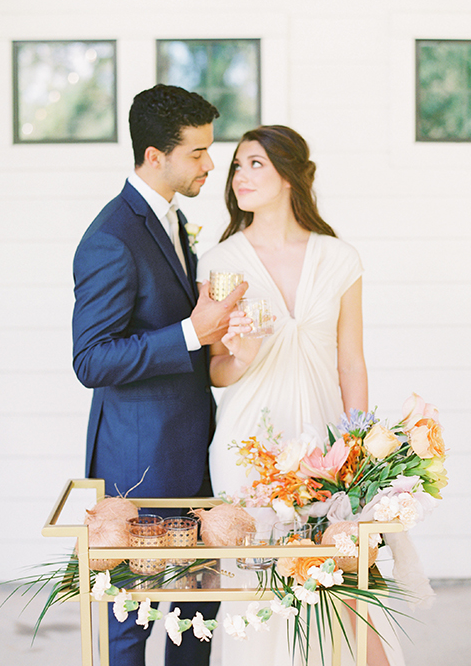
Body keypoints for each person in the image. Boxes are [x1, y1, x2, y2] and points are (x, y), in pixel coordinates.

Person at [197, 125, 405, 666]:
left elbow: (351, 360)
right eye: (237, 166)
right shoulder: (221, 261)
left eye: (255, 164)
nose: (240, 175)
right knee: (258, 587)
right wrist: (242, 356)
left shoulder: (340, 259)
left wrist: (357, 446)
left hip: (322, 442)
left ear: (290, 174)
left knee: (340, 581)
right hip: (249, 444)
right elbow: (215, 371)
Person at [72, 84, 247, 666]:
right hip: (138, 468)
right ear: (155, 156)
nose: (209, 164)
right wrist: (192, 332)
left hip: (193, 455)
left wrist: (217, 332)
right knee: (132, 619)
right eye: (197, 153)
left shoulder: (171, 220)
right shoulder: (110, 238)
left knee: (195, 616)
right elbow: (91, 360)